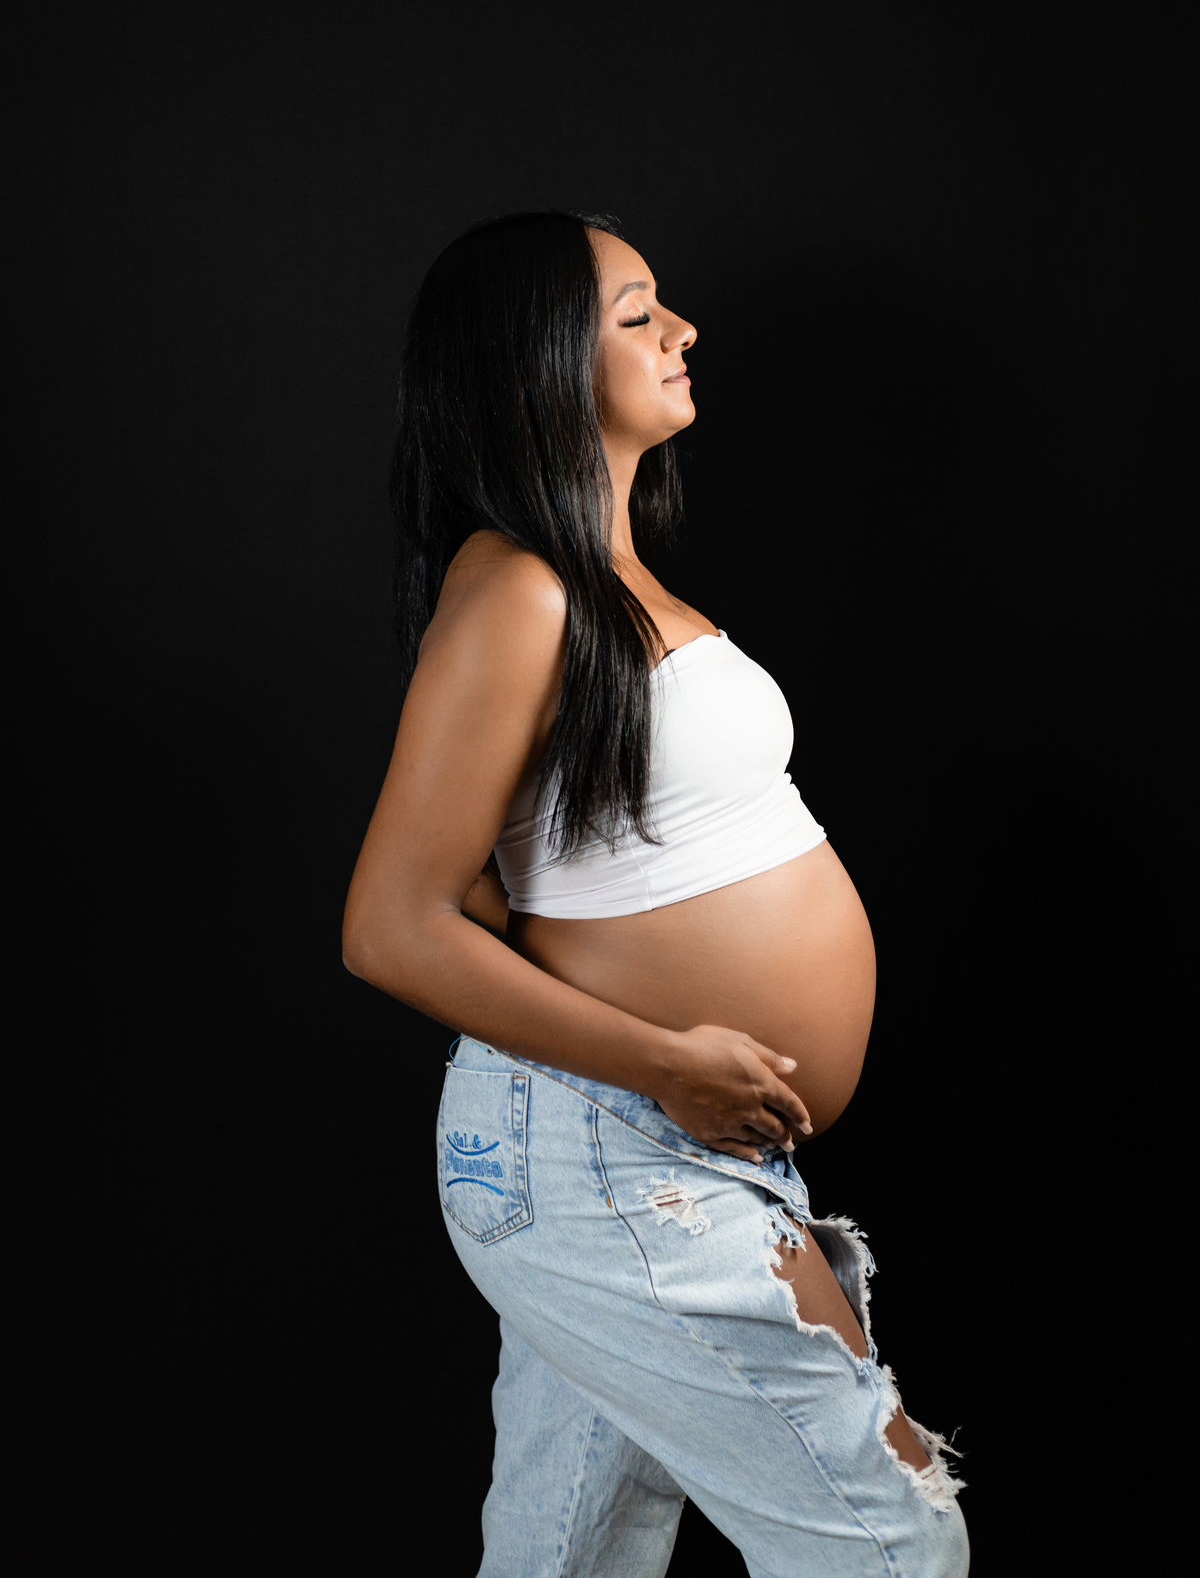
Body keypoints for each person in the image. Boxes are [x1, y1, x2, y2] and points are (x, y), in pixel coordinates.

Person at [342, 210, 969, 1577]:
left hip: (662, 1145)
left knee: (569, 1558)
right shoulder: (520, 589)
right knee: (894, 1543)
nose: (682, 330)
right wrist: (665, 1060)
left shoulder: (600, 578)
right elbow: (393, 924)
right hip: (610, 1150)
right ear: (538, 368)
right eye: (636, 316)